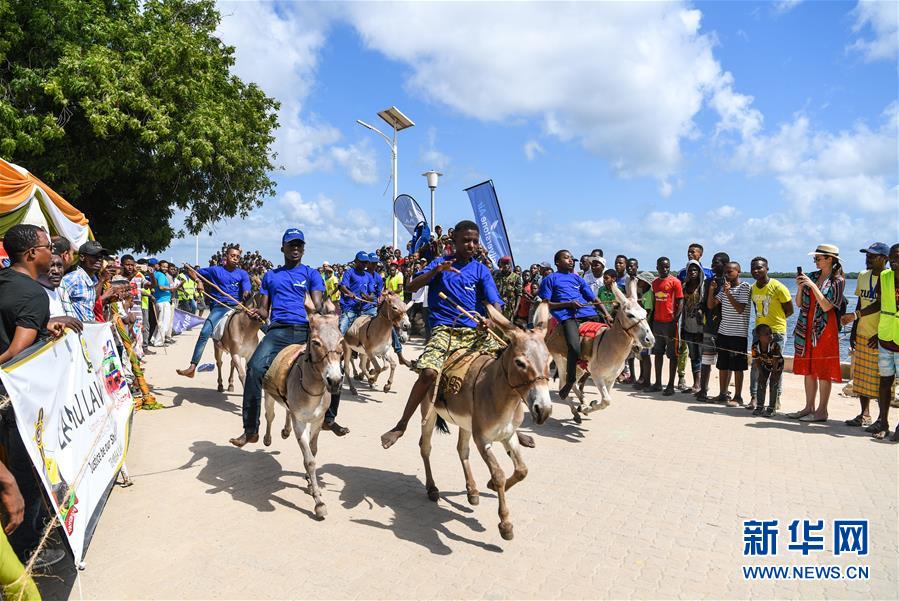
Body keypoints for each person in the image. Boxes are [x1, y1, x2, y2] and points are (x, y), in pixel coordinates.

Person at [381, 220, 533, 450]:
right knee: (429, 372)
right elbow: (411, 287)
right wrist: (435, 271)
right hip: (445, 330)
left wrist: (490, 320)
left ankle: (513, 425)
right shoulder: (440, 263)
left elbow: (495, 304)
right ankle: (401, 425)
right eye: (466, 241)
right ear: (454, 242)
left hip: (476, 331)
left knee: (513, 365)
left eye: (474, 241)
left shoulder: (481, 269)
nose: (471, 245)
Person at [0, 224, 80, 570]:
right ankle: (28, 548)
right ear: (32, 253)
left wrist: (45, 324)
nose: (56, 255)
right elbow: (16, 352)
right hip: (14, 403)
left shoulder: (4, 282)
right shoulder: (32, 294)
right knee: (27, 470)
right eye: (49, 247)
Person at [229, 228, 331, 447]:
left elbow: (318, 305)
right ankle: (251, 430)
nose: (295, 249)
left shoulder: (311, 274)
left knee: (334, 365)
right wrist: (258, 313)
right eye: (291, 245)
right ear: (282, 248)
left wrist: (315, 306)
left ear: (303, 249)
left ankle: (329, 418)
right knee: (254, 369)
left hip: (306, 330)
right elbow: (265, 310)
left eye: (299, 245)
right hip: (278, 331)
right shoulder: (271, 276)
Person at [789, 244, 845, 422]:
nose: (815, 261)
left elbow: (827, 305)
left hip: (825, 328)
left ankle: (822, 410)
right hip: (806, 326)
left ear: (830, 259)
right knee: (809, 369)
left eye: (818, 258)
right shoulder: (811, 276)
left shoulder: (838, 280)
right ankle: (808, 407)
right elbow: (798, 304)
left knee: (823, 370)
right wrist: (800, 287)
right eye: (815, 258)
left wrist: (813, 285)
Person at [176, 246, 251, 378]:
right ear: (226, 256)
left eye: (238, 257)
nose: (235, 258)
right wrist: (198, 281)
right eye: (232, 256)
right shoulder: (215, 270)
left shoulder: (242, 273)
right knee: (205, 332)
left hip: (238, 307)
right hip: (220, 307)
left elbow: (246, 288)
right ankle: (192, 367)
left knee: (260, 324)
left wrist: (246, 293)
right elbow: (190, 270)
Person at [539, 249, 605, 399]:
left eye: (571, 259)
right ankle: (569, 382)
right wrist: (568, 304)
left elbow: (593, 299)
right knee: (574, 348)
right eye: (566, 258)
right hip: (567, 317)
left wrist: (606, 315)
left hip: (588, 314)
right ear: (557, 262)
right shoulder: (550, 279)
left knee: (605, 339)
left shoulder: (577, 279)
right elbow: (546, 304)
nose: (570, 260)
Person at [841, 243, 893, 429]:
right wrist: (854, 330)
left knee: (882, 380)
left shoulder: (891, 279)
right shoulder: (863, 276)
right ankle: (864, 414)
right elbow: (860, 304)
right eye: (867, 255)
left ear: (885, 259)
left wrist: (880, 334)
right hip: (863, 332)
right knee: (862, 378)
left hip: (882, 336)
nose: (868, 259)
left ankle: (882, 418)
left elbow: (887, 308)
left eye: (873, 256)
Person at [748, 257, 793, 410]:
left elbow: (789, 310)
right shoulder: (753, 288)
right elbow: (756, 309)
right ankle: (755, 397)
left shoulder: (778, 287)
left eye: (759, 268)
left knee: (775, 367)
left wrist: (774, 325)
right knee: (756, 364)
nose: (756, 271)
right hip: (758, 333)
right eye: (753, 268)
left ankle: (776, 398)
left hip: (776, 333)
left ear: (767, 268)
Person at [708, 261, 751, 406]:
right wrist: (711, 290)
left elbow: (740, 309)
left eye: (730, 272)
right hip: (723, 331)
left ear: (738, 272)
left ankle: (738, 396)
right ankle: (722, 394)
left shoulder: (744, 287)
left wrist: (728, 293)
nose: (727, 274)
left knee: (738, 366)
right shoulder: (724, 288)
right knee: (723, 365)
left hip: (738, 334)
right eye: (726, 272)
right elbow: (711, 305)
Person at [871, 243, 899, 440]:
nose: (895, 259)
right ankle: (883, 422)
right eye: (892, 256)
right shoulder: (884, 276)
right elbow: (879, 304)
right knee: (884, 383)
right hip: (886, 337)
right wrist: (855, 316)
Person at [696, 252, 729, 401]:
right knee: (706, 360)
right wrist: (700, 310)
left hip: (725, 327)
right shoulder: (709, 281)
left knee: (724, 362)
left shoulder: (729, 282)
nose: (712, 265)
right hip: (709, 325)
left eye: (716, 262)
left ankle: (723, 392)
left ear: (725, 264)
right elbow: (704, 301)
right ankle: (703, 390)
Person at [649, 257, 684, 395]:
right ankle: (657, 383)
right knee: (657, 353)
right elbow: (653, 302)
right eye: (662, 267)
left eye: (667, 267)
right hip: (657, 323)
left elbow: (681, 302)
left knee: (673, 355)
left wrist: (675, 320)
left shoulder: (675, 282)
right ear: (657, 267)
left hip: (670, 323)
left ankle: (670, 385)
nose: (665, 269)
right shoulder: (655, 283)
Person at [59, 240, 114, 322]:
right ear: (82, 257)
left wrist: (101, 280)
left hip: (88, 330)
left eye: (101, 257)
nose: (99, 259)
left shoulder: (94, 280)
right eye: (95, 256)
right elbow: (58, 302)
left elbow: (91, 301)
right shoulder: (73, 278)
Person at [679, 260, 705, 394]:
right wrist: (682, 327)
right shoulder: (684, 287)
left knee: (700, 355)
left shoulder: (703, 287)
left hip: (701, 327)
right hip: (688, 325)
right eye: (690, 270)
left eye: (695, 270)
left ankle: (700, 384)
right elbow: (681, 309)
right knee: (693, 355)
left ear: (700, 271)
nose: (693, 272)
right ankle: (696, 383)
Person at [750, 324, 784, 417]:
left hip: (777, 366)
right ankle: (760, 406)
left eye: (771, 333)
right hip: (764, 364)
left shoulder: (775, 346)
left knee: (773, 384)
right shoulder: (755, 347)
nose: (770, 336)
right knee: (761, 382)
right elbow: (757, 361)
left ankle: (771, 408)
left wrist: (774, 374)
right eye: (766, 334)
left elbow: (776, 361)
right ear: (759, 336)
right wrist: (761, 373)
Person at [339, 252, 373, 336]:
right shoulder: (349, 272)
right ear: (356, 261)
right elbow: (342, 286)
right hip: (350, 307)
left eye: (366, 262)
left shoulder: (368, 275)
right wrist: (350, 293)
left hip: (365, 308)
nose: (364, 264)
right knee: (341, 330)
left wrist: (369, 297)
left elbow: (371, 292)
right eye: (362, 262)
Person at [493, 256, 522, 321]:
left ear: (510, 264)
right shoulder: (496, 276)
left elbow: (519, 294)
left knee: (507, 328)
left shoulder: (516, 277)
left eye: (507, 263)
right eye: (504, 264)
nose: (506, 265)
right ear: (501, 265)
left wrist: (516, 309)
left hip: (509, 308)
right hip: (498, 306)